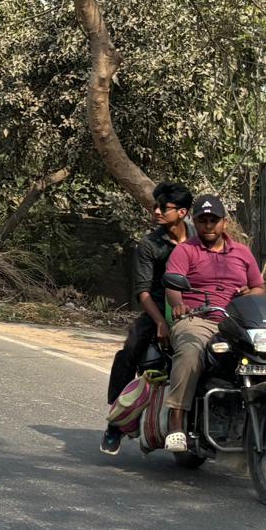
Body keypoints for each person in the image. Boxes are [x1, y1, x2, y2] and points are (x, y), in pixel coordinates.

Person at [162, 195, 265, 453]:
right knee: (190, 349)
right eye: (202, 220)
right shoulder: (185, 250)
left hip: (237, 322)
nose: (208, 225)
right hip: (198, 318)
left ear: (224, 223)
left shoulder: (242, 252)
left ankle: (265, 413)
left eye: (214, 220)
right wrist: (179, 304)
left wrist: (250, 294)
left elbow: (259, 288)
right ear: (194, 222)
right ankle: (176, 422)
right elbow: (172, 285)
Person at [100, 182, 194, 455]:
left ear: (182, 212)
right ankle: (116, 424)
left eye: (163, 207)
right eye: (155, 206)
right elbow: (142, 291)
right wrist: (160, 322)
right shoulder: (149, 244)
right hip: (156, 310)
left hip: (197, 311)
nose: (156, 211)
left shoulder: (200, 240)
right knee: (131, 349)